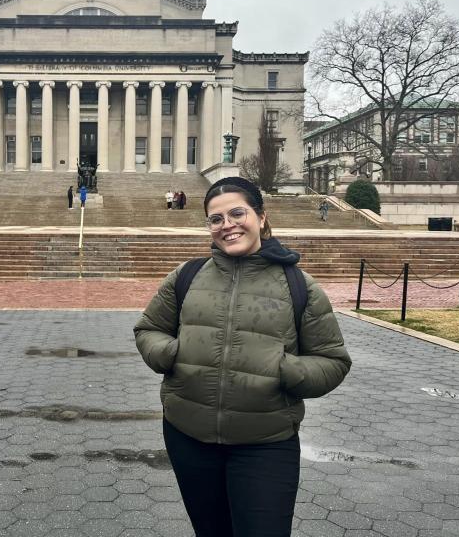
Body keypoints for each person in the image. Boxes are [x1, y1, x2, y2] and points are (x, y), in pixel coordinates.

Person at [134, 176, 351, 537]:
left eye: (237, 213)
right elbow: (148, 330)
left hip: (265, 445)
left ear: (261, 217)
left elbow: (333, 361)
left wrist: (285, 370)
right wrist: (171, 353)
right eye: (216, 219)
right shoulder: (186, 276)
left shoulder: (300, 285)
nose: (227, 225)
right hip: (189, 438)